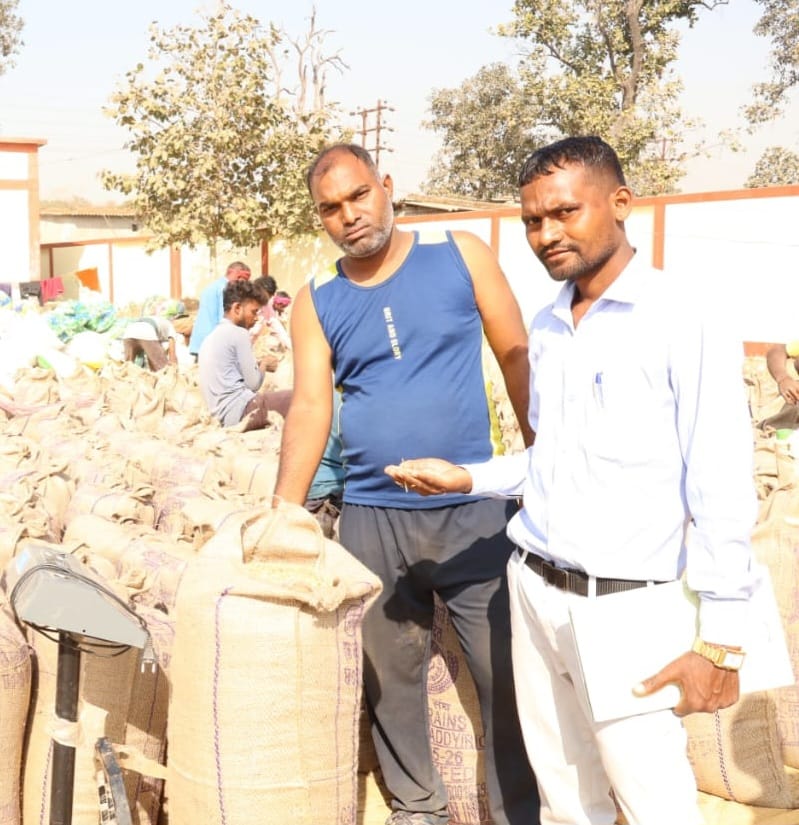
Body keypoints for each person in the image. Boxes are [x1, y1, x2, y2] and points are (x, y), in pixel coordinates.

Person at [385, 136, 758, 825]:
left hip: (624, 605)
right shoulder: (550, 323)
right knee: (563, 800)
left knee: (654, 802)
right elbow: (551, 459)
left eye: (564, 212)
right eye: (532, 220)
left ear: (620, 203)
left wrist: (722, 639)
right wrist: (465, 477)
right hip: (534, 589)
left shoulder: (680, 316)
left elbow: (721, 482)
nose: (546, 234)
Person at [273, 143, 539, 825]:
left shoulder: (460, 254)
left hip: (472, 510)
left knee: (505, 672)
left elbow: (516, 358)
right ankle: (417, 806)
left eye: (358, 195)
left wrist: (549, 461)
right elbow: (311, 406)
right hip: (371, 517)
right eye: (330, 208)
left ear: (386, 186)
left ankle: (517, 810)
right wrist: (282, 513)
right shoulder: (317, 299)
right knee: (389, 676)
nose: (348, 215)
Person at [198, 279, 291, 431]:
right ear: (237, 308)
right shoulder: (239, 333)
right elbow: (253, 384)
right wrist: (264, 365)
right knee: (298, 398)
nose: (256, 318)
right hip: (240, 410)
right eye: (254, 312)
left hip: (221, 414)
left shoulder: (210, 337)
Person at [188, 260, 252, 358]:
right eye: (243, 281)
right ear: (237, 276)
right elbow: (225, 319)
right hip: (212, 344)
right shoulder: (226, 289)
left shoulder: (212, 286)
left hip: (200, 341)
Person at [251, 275, 292, 351]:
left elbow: (280, 331)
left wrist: (293, 349)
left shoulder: (267, 309)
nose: (266, 300)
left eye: (269, 298)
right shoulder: (244, 303)